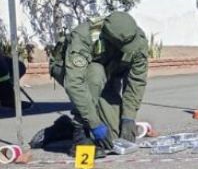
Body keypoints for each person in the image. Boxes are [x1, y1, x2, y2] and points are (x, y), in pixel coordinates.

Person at [38, 11, 149, 154]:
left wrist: (128, 117)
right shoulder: (84, 36)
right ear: (111, 39)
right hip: (70, 72)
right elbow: (75, 84)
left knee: (112, 138)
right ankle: (79, 134)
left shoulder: (135, 38)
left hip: (105, 78)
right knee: (96, 73)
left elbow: (137, 80)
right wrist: (94, 124)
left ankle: (66, 128)